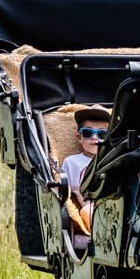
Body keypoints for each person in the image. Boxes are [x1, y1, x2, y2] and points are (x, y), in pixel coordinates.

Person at [59, 103, 111, 257]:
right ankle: (99, 238)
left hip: (112, 203)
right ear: (79, 137)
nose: (94, 138)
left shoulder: (110, 160)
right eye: (88, 133)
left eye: (102, 134)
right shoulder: (72, 161)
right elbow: (66, 191)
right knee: (87, 210)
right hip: (89, 204)